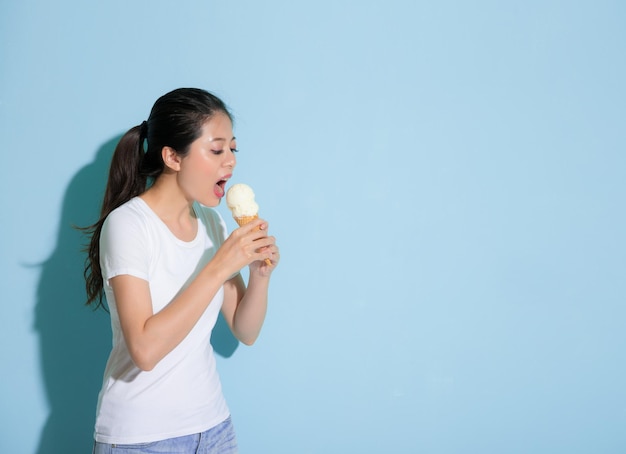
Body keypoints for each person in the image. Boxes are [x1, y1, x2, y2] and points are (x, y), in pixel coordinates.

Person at [82, 88, 279, 453]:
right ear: (173, 156)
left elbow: (245, 330)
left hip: (213, 428)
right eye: (216, 149)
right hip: (141, 437)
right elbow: (144, 349)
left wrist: (259, 275)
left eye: (233, 149)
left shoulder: (212, 223)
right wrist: (219, 266)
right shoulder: (128, 226)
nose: (230, 162)